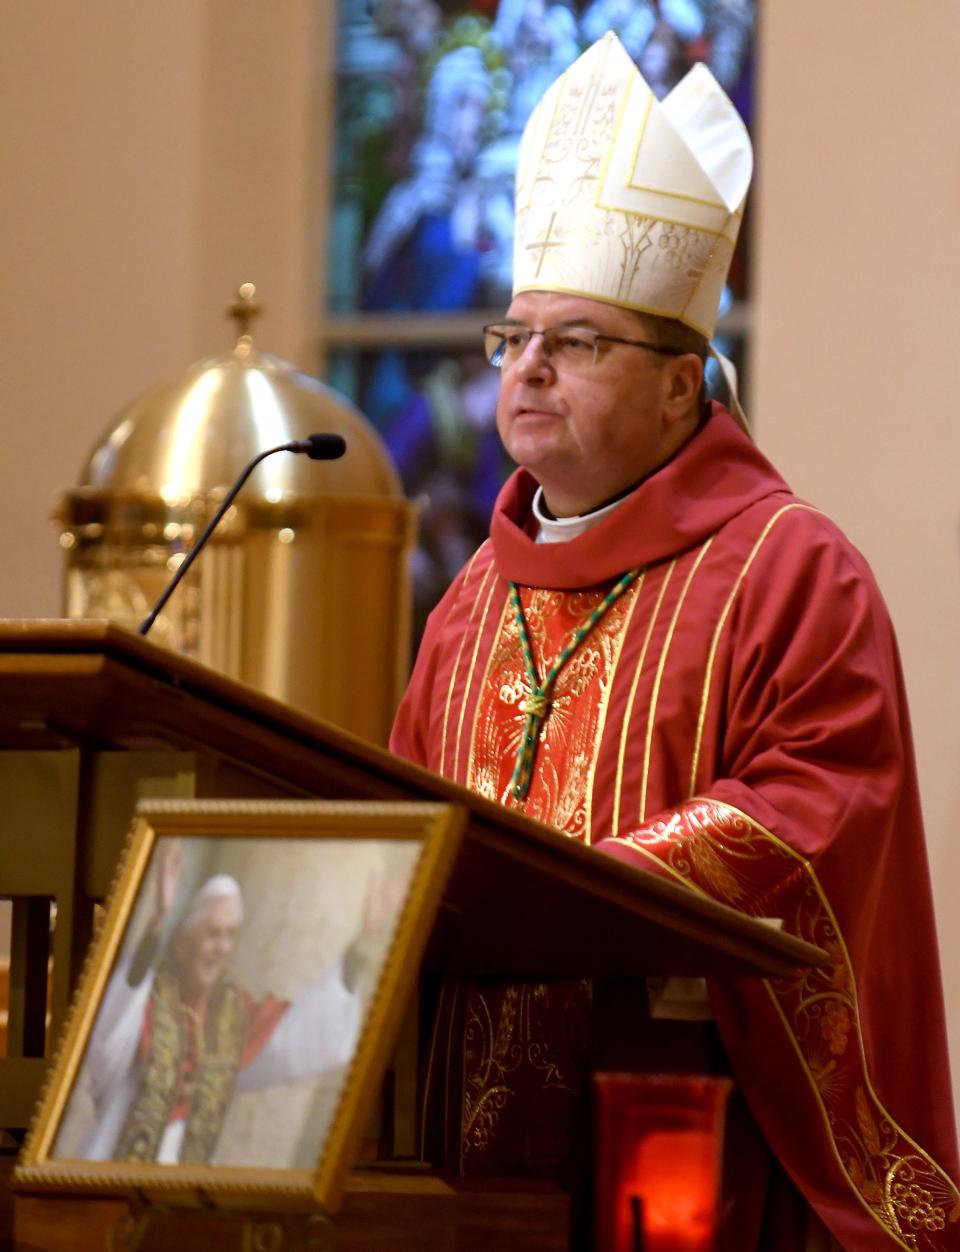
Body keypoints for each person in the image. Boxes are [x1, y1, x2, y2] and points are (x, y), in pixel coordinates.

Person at [390, 32, 960, 1251]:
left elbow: (815, 812)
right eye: (515, 338)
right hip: (459, 1175)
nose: (528, 368)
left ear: (681, 384)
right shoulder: (468, 602)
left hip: (688, 1142)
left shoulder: (792, 573)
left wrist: (567, 891)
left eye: (577, 341)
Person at [68, 844, 362, 1165]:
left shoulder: (235, 1013)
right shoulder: (149, 998)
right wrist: (157, 924)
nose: (221, 947)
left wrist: (356, 953)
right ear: (183, 942)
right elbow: (107, 1047)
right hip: (114, 1160)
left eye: (230, 935)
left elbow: (295, 1039)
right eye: (212, 934)